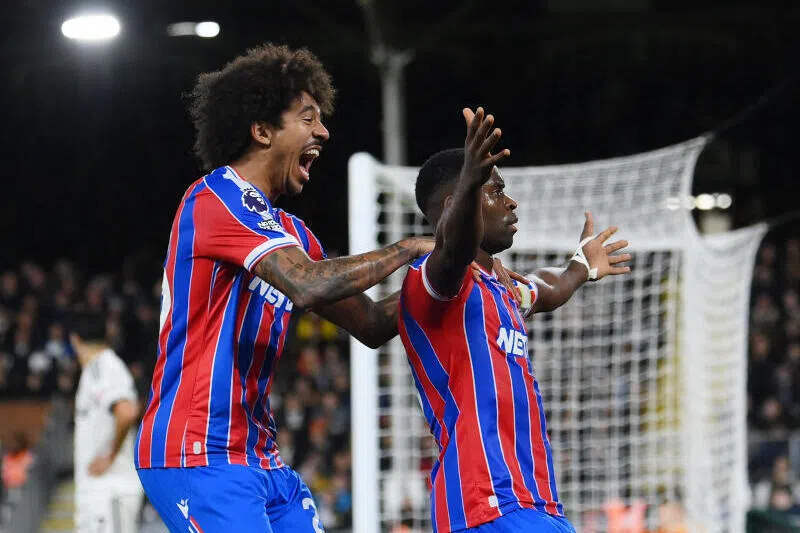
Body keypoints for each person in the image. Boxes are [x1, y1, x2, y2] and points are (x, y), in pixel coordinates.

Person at [134, 42, 441, 533]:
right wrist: (407, 249)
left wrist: (444, 275)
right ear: (261, 130)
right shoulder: (215, 199)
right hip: (197, 452)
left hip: (262, 458)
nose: (323, 131)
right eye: (307, 117)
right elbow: (305, 285)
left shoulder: (294, 236)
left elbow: (372, 323)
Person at [398, 107, 632, 533]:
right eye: (495, 191)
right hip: (483, 502)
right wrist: (470, 182)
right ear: (458, 204)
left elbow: (548, 288)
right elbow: (453, 249)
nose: (510, 202)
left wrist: (581, 267)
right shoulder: (436, 281)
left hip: (535, 501)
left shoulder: (503, 288)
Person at [69, 309, 143, 533]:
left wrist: (110, 455)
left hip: (109, 489)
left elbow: (127, 411)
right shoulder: (97, 368)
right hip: (99, 493)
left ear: (75, 340)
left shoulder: (102, 366)